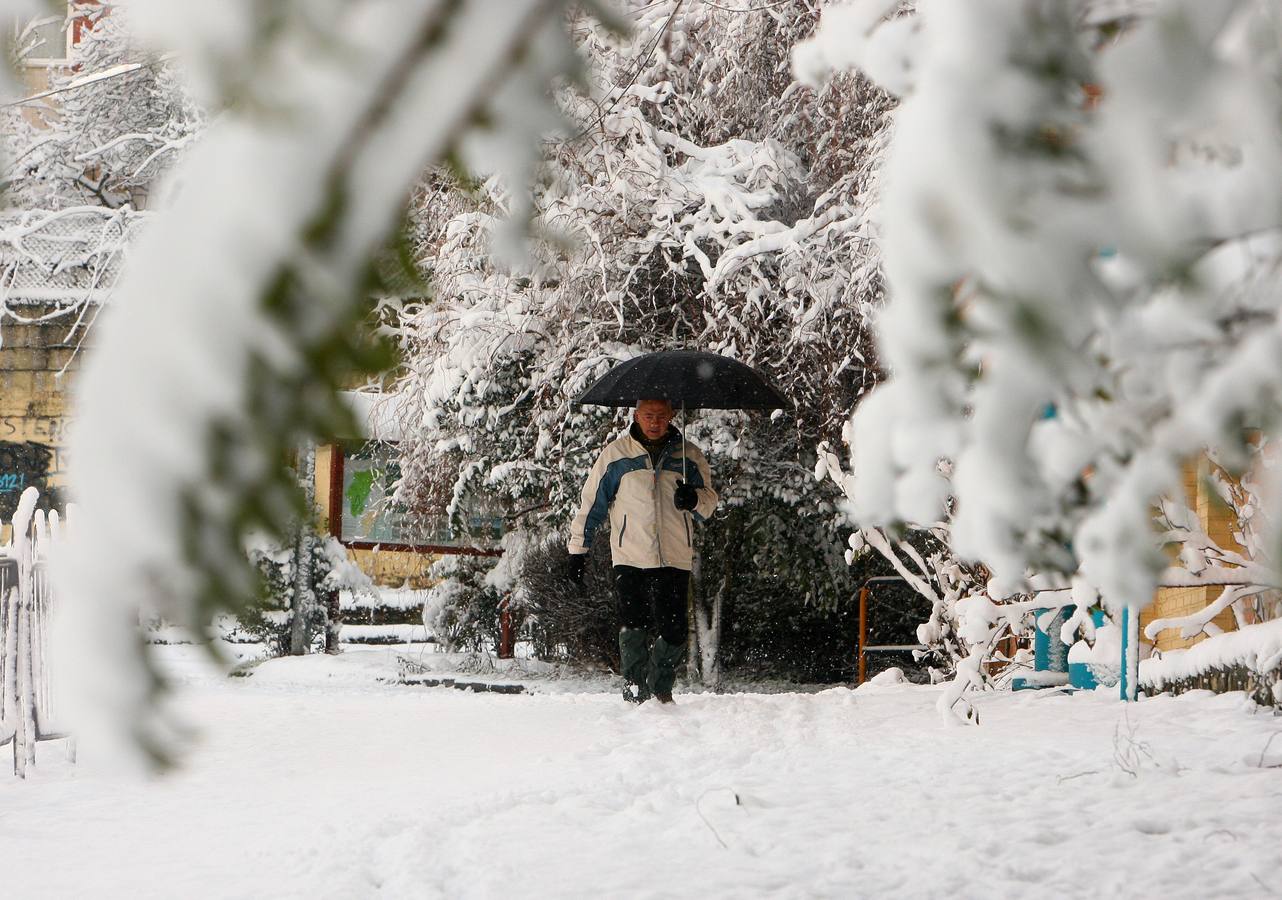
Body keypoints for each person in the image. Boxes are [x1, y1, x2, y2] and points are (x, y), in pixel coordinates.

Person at [567, 398, 718, 704]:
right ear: (635, 416)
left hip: (674, 555)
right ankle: (636, 688)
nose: (654, 422)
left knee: (674, 630)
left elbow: (709, 504)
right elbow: (592, 504)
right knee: (632, 624)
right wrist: (577, 550)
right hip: (630, 555)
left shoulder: (689, 456)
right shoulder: (616, 456)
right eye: (648, 415)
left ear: (672, 416)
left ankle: (661, 687)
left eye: (661, 416)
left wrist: (694, 499)